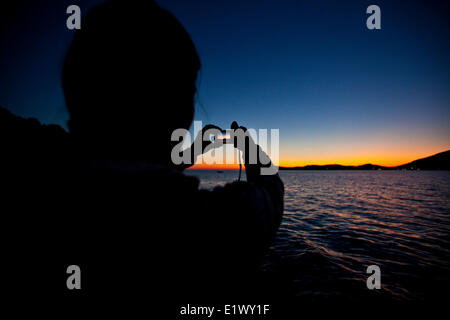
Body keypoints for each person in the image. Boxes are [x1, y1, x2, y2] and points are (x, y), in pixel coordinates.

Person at [5, 0, 284, 312]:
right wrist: (246, 145)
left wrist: (193, 150)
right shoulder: (214, 223)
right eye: (189, 91)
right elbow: (272, 192)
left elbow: (130, 164)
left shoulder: (31, 189)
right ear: (182, 108)